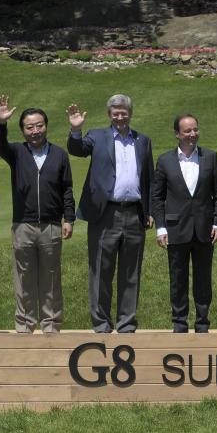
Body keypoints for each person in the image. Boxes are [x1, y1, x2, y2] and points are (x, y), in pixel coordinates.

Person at [67, 94, 153, 334]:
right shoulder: (96, 136)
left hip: (134, 213)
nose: (120, 117)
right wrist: (76, 130)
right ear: (109, 115)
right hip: (105, 213)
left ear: (130, 114)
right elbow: (78, 149)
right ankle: (101, 324)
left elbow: (149, 178)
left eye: (124, 112)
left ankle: (126, 324)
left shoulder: (142, 140)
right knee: (100, 271)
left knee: (131, 272)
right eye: (115, 113)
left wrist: (150, 210)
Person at [0, 95, 75, 334]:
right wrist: (1, 124)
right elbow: (0, 145)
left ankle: (51, 325)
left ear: (46, 126)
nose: (35, 131)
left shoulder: (59, 154)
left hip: (51, 225)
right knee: (24, 279)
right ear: (23, 130)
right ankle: (25, 325)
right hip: (23, 226)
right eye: (29, 127)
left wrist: (68, 218)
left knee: (50, 279)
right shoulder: (17, 152)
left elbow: (67, 188)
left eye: (39, 125)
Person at [151, 114, 217, 333]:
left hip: (204, 229)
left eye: (195, 129)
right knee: (178, 278)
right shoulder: (165, 160)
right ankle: (179, 322)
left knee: (203, 278)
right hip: (176, 229)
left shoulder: (210, 157)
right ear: (177, 134)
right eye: (187, 131)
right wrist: (161, 227)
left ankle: (202, 322)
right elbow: (157, 198)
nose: (193, 134)